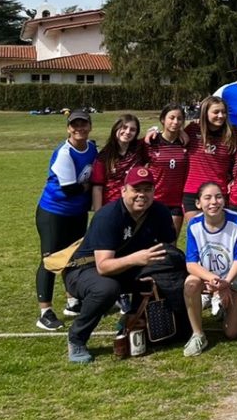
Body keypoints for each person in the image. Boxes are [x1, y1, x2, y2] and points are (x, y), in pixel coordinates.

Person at [62, 166, 176, 363]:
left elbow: (168, 251)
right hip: (84, 269)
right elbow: (103, 267)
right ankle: (77, 338)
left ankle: (138, 321)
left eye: (147, 189)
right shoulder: (108, 216)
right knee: (107, 289)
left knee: (165, 274)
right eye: (136, 189)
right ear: (124, 190)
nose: (142, 195)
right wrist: (136, 259)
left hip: (127, 266)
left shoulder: (160, 212)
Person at [35, 109, 98, 331]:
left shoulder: (92, 148)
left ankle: (73, 301)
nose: (79, 128)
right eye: (75, 125)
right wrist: (91, 187)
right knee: (51, 260)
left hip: (76, 213)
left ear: (90, 126)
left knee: (74, 257)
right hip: (54, 212)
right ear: (68, 128)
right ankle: (45, 312)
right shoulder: (64, 153)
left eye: (83, 124)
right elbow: (71, 189)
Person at [183, 182, 237, 355]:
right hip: (208, 278)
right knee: (190, 284)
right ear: (198, 203)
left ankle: (223, 306)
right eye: (208, 198)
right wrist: (212, 279)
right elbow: (191, 263)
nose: (214, 202)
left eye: (218, 197)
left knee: (231, 333)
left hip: (233, 279)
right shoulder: (193, 225)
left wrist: (226, 283)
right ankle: (198, 334)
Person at [182, 96, 237, 228]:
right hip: (192, 191)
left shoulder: (233, 134)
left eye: (223, 112)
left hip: (219, 192)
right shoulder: (192, 129)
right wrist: (153, 132)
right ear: (205, 113)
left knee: (217, 236)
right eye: (216, 112)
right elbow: (170, 136)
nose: (221, 115)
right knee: (197, 234)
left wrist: (234, 178)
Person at [147, 104, 191, 235]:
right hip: (154, 200)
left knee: (171, 242)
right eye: (171, 118)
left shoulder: (186, 142)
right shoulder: (151, 142)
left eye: (179, 119)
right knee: (150, 242)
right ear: (162, 120)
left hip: (176, 202)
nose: (175, 122)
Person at [91, 114, 147, 211]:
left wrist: (180, 133)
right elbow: (97, 188)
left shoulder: (140, 148)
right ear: (116, 128)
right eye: (124, 128)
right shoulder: (103, 156)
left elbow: (162, 136)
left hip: (135, 207)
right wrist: (98, 213)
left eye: (132, 129)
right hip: (111, 207)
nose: (128, 132)